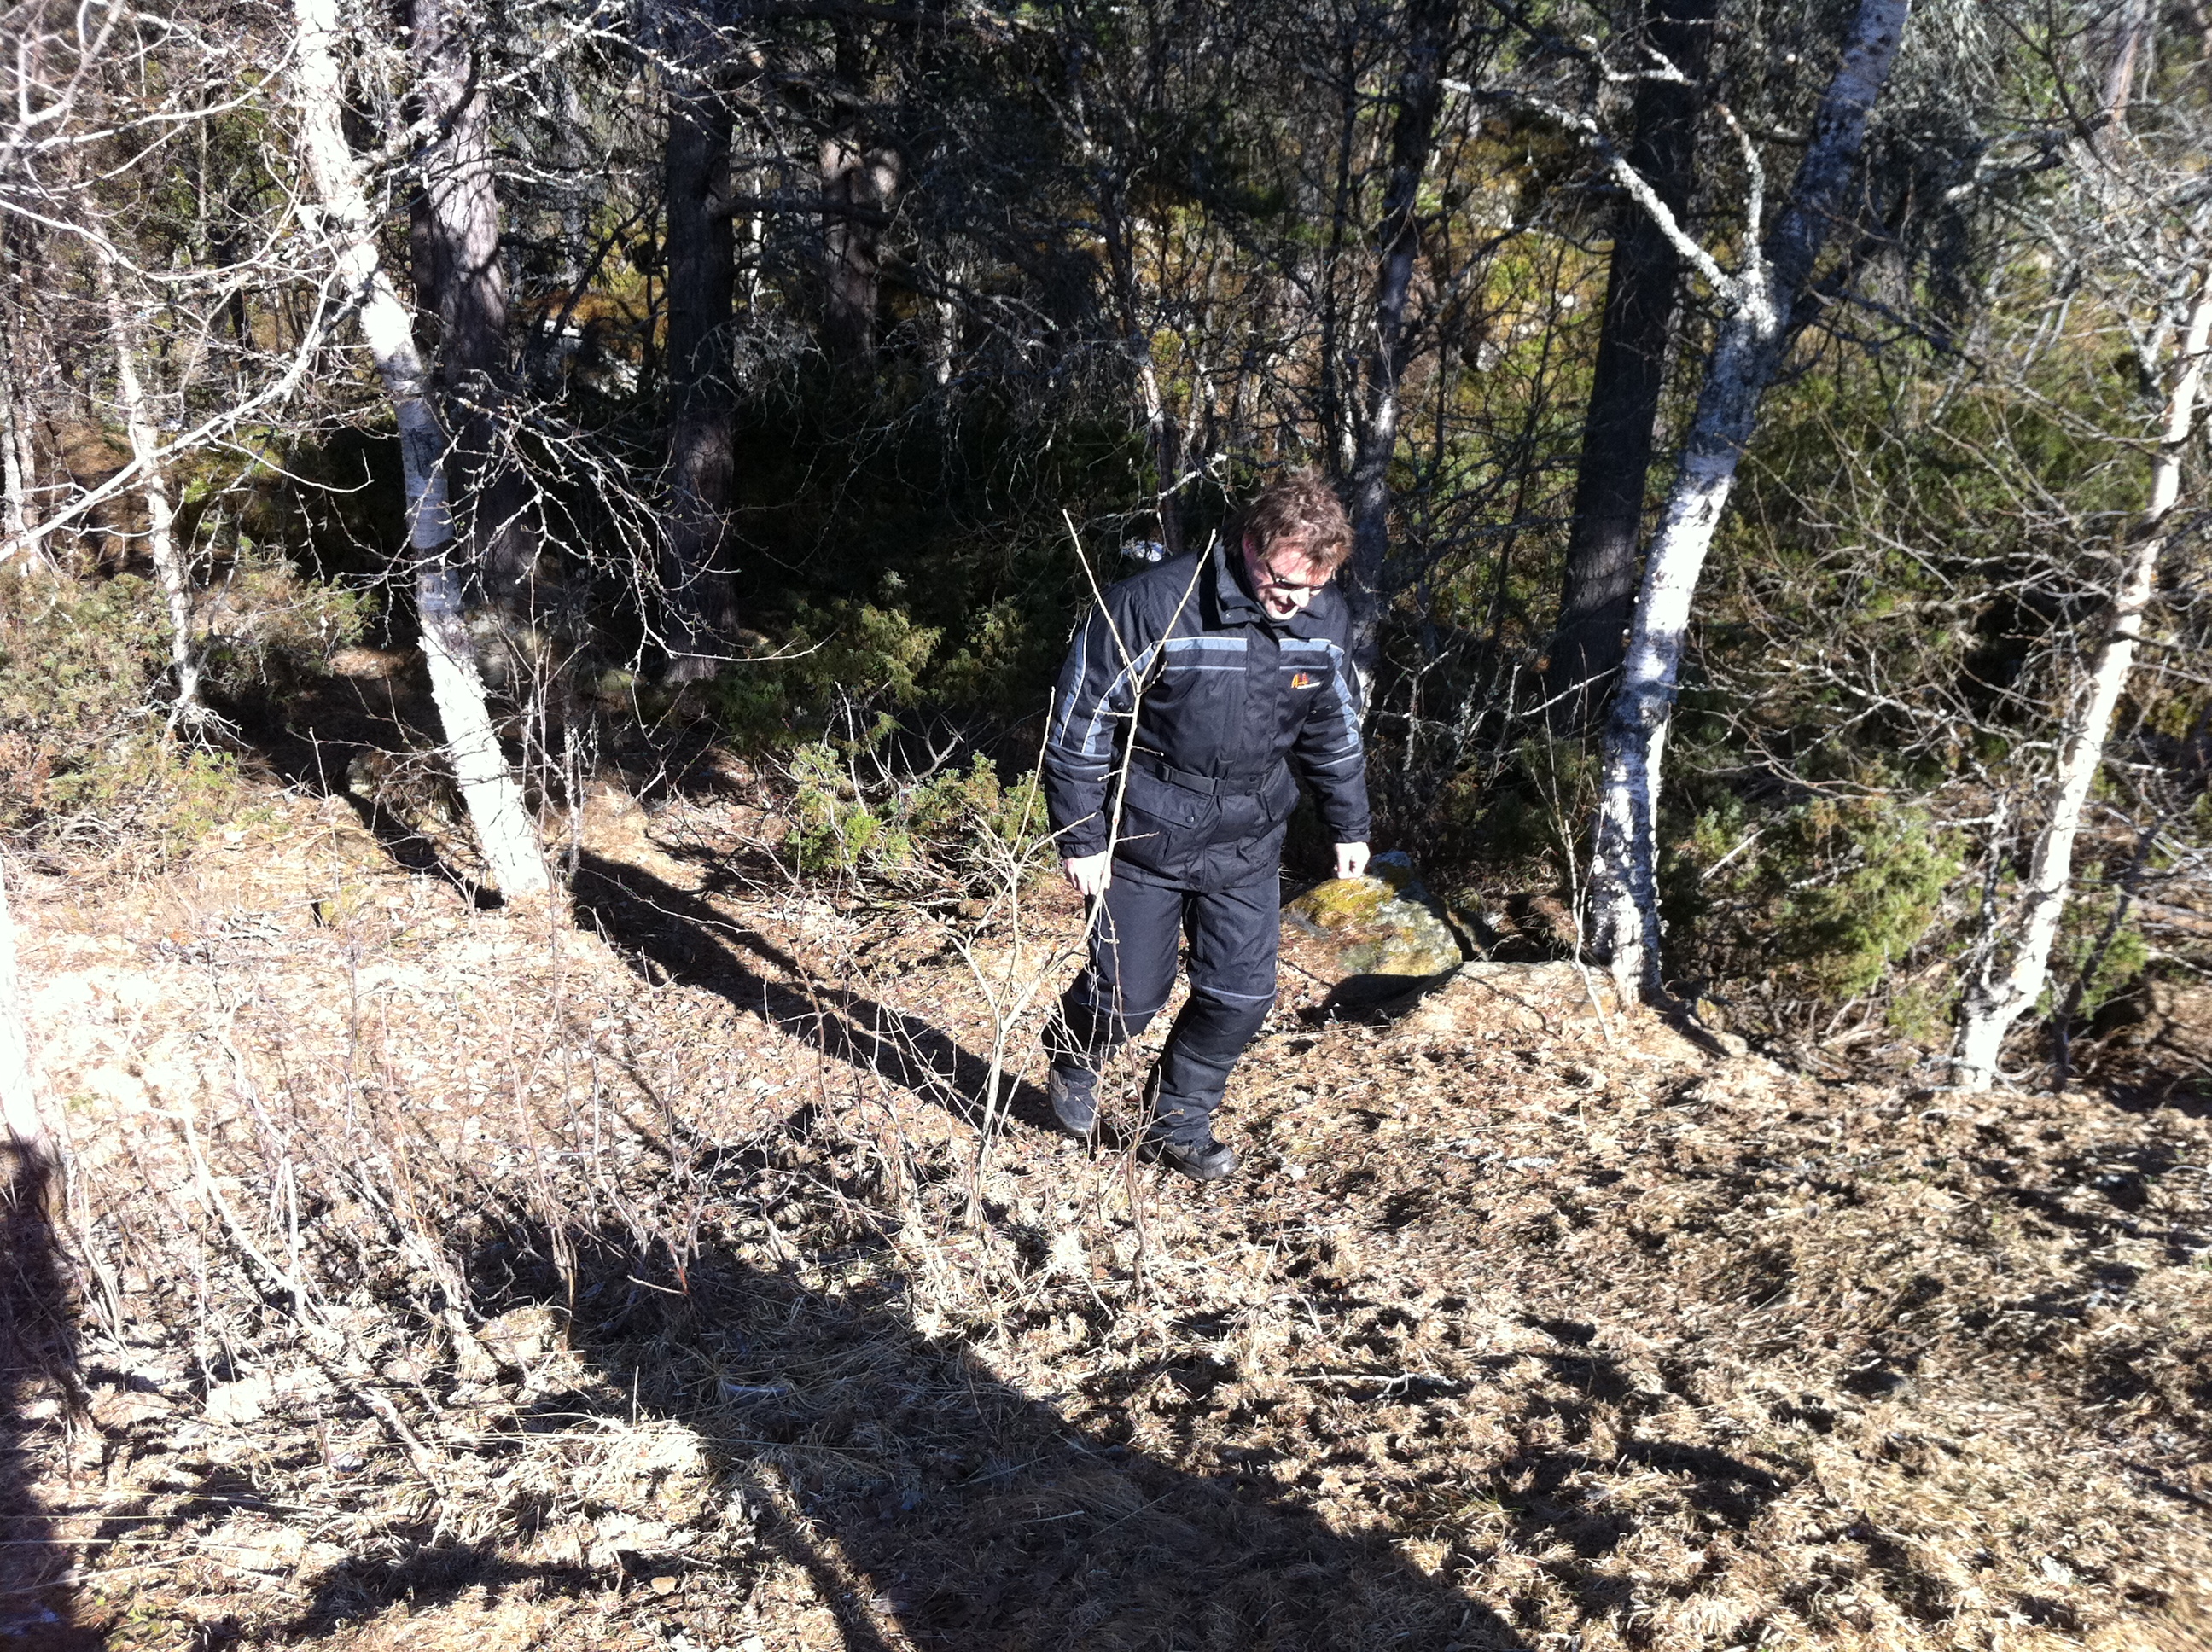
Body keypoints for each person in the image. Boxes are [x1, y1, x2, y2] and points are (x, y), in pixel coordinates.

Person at [1039, 474, 1371, 1181]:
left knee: (1241, 997)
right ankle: (1075, 1052)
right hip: (1145, 833)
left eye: (1313, 588)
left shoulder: (1325, 619)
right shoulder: (1155, 604)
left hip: (1249, 838)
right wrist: (1082, 837)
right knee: (1129, 995)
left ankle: (1178, 1123)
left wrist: (1349, 823)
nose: (1295, 601)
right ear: (1250, 544)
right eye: (1284, 582)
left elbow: (1331, 728)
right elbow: (1081, 722)